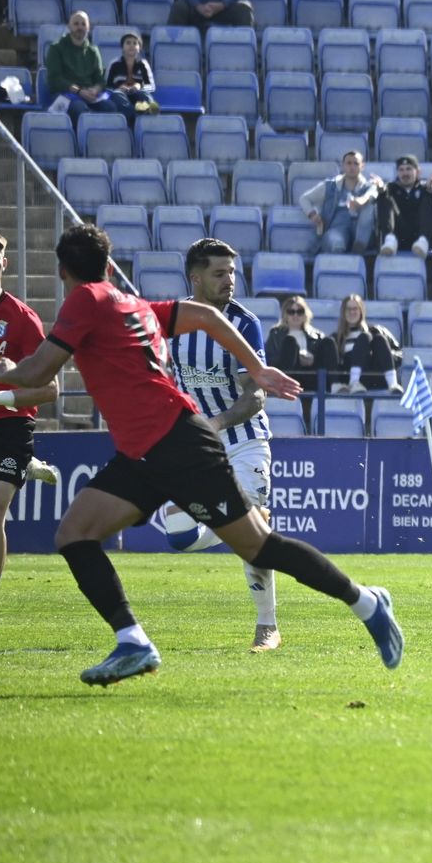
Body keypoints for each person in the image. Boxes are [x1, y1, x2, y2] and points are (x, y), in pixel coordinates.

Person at [0, 224, 403, 687]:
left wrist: (8, 370)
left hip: (175, 442)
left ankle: (367, 602)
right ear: (109, 267)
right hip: (144, 451)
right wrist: (257, 367)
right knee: (75, 533)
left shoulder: (84, 301)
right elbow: (205, 318)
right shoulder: (129, 303)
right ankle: (133, 641)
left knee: (257, 545)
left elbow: (39, 371)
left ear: (62, 271)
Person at [151, 239, 282, 653]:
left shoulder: (244, 323)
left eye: (233, 272)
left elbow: (256, 395)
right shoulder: (172, 322)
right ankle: (242, 524)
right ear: (195, 278)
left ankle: (267, 627)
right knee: (178, 536)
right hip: (196, 443)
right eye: (219, 273)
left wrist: (219, 421)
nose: (230, 280)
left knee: (254, 535)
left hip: (245, 439)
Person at [0, 229, 61, 636]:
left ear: (4, 263)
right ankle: (26, 468)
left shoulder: (20, 317)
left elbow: (50, 389)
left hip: (8, 426)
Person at [298, 150, 389, 255]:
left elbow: (373, 194)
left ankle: (359, 245)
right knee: (337, 244)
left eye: (356, 163)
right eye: (349, 163)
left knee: (369, 204)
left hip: (361, 231)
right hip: (337, 229)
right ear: (343, 166)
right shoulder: (330, 185)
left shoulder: (369, 186)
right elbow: (304, 198)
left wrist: (361, 200)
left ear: (362, 166)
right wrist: (312, 214)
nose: (352, 167)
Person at [46, 11, 128, 122]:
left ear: (89, 27)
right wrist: (79, 91)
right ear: (69, 27)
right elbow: (55, 79)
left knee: (111, 108)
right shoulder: (56, 48)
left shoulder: (93, 51)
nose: (80, 27)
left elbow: (100, 80)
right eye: (76, 24)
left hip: (90, 95)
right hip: (65, 94)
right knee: (79, 109)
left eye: (83, 24)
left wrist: (95, 90)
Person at [317, 293, 401, 394]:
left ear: (361, 311)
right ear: (343, 312)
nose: (352, 312)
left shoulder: (377, 331)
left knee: (372, 338)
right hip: (348, 374)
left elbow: (398, 353)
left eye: (355, 308)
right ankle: (354, 382)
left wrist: (386, 357)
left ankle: (393, 384)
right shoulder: (336, 338)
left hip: (372, 373)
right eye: (348, 309)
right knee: (361, 338)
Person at [382, 155, 432, 259]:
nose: (405, 173)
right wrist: (381, 191)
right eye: (401, 170)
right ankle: (389, 239)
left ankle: (424, 240)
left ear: (418, 172)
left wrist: (431, 192)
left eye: (409, 169)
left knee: (430, 197)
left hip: (419, 238)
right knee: (384, 197)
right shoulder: (390, 188)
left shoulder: (425, 188)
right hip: (397, 237)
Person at [266, 294, 324, 392]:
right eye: (291, 312)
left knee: (328, 343)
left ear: (305, 314)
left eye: (300, 312)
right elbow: (270, 359)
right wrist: (295, 357)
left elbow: (322, 359)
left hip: (311, 376)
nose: (295, 315)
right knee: (290, 341)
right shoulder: (275, 334)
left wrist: (313, 359)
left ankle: (331, 387)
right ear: (285, 314)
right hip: (287, 376)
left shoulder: (317, 335)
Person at [105, 32, 157, 119]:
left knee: (146, 97)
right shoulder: (114, 64)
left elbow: (151, 86)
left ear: (139, 48)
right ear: (122, 47)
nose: (131, 45)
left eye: (135, 43)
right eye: (128, 43)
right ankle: (133, 119)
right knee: (117, 95)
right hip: (121, 96)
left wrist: (139, 86)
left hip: (138, 95)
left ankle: (148, 119)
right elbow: (107, 86)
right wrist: (119, 87)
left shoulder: (144, 64)